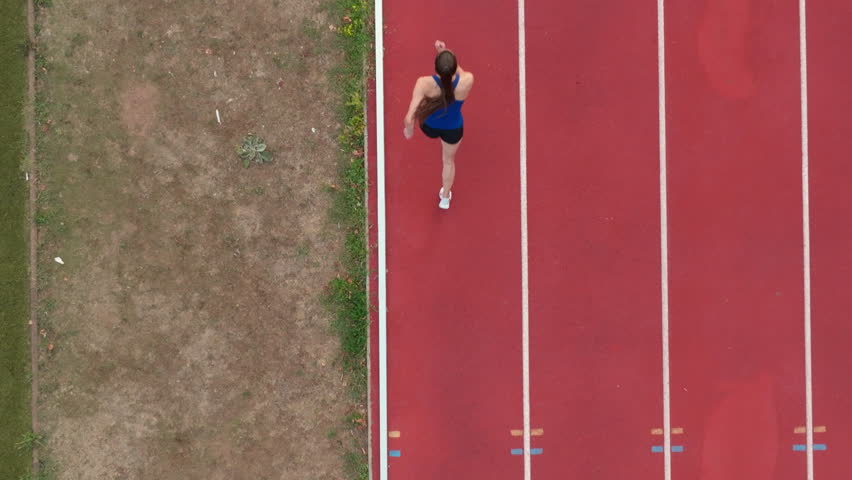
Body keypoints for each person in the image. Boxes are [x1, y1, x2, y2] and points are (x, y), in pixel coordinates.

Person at [403, 40, 475, 210]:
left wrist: (409, 129)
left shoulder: (423, 83)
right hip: (453, 129)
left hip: (429, 127)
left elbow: (409, 117)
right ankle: (445, 198)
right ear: (454, 67)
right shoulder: (467, 80)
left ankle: (445, 196)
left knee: (424, 105)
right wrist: (444, 53)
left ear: (435, 67)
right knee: (448, 161)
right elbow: (459, 73)